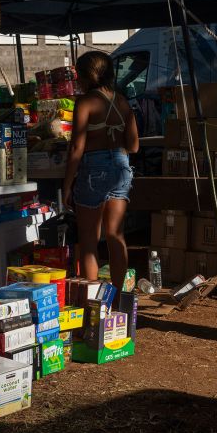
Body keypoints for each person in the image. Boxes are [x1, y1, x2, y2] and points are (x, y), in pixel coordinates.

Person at [63, 51, 140, 290]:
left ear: (85, 76)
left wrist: (66, 185)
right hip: (120, 168)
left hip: (93, 170)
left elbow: (77, 147)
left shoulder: (85, 102)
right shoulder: (123, 101)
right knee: (116, 237)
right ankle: (121, 299)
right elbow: (134, 146)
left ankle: (92, 305)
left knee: (89, 242)